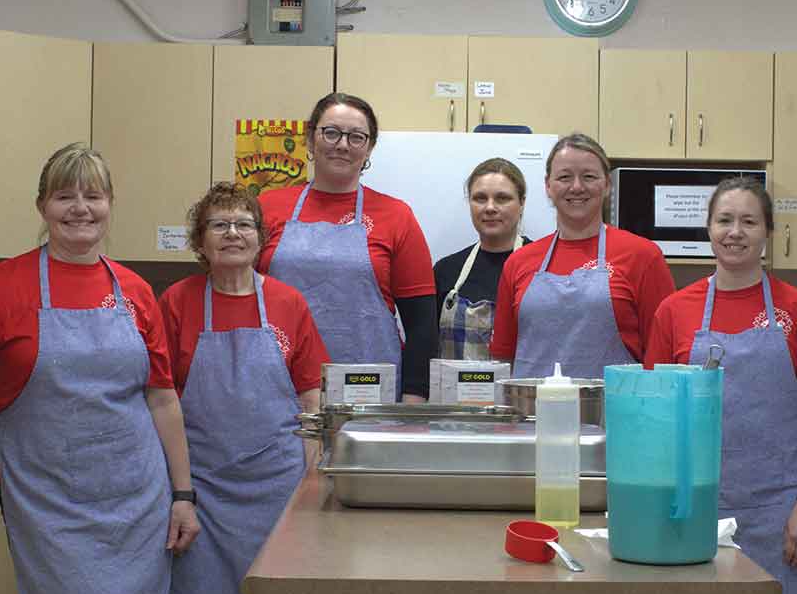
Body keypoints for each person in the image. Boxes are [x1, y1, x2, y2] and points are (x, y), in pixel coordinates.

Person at [0, 143, 200, 594]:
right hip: (48, 500)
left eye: (93, 195)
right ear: (43, 206)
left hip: (134, 493)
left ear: (110, 203)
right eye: (65, 196)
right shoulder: (4, 285)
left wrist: (182, 495)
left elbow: (161, 399)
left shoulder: (133, 290)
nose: (80, 208)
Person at [644, 177, 797, 594]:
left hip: (784, 512)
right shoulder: (674, 310)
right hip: (697, 512)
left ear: (767, 232)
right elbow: (655, 414)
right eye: (725, 220)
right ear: (709, 229)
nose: (735, 232)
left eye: (749, 221)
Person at [156, 183, 330, 594]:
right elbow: (161, 396)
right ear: (200, 240)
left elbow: (310, 394)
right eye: (219, 224)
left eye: (244, 224)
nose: (233, 233)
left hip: (275, 486)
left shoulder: (288, 302)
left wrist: (310, 484)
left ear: (260, 236)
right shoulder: (176, 301)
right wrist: (180, 493)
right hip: (201, 488)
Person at [257, 92, 437, 401]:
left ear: (369, 148)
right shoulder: (266, 208)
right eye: (331, 132)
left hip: (368, 390)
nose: (342, 144)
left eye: (356, 137)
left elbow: (421, 324)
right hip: (276, 384)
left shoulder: (396, 216)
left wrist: (412, 403)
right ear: (310, 139)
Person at [490, 132, 676, 378]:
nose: (576, 187)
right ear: (548, 186)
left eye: (588, 177)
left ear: (607, 184)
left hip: (612, 413)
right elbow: (504, 358)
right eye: (565, 177)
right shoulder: (519, 262)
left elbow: (663, 357)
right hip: (532, 414)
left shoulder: (642, 256)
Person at [433, 157, 532, 360]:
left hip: (521, 392)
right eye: (480, 198)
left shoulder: (543, 267)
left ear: (522, 203)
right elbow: (428, 347)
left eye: (502, 198)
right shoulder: (446, 270)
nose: (490, 207)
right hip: (456, 391)